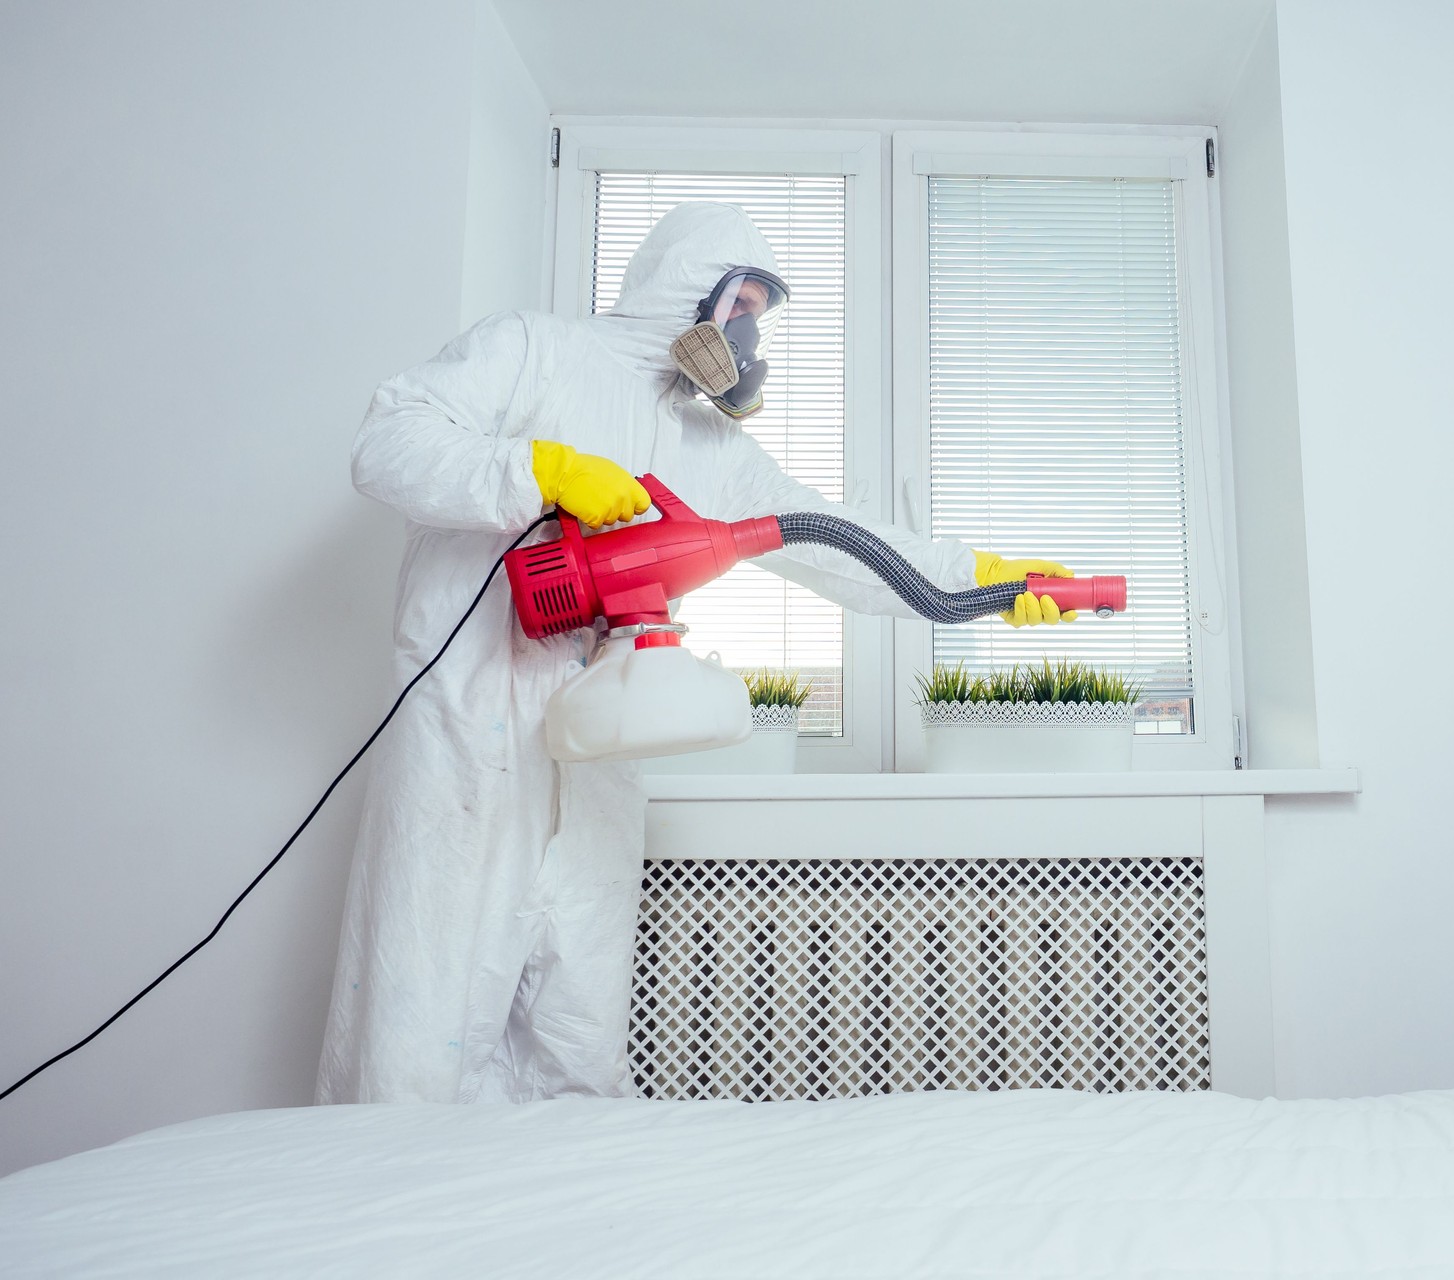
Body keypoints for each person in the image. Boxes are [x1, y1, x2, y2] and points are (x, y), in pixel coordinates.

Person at [317, 203, 1074, 1104]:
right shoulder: (533, 350)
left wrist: (979, 580)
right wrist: (540, 471)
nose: (748, 333)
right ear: (688, 288)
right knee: (424, 1011)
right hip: (471, 734)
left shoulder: (712, 448)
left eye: (761, 314)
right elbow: (387, 441)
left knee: (576, 1028)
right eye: (740, 303)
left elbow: (833, 537)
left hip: (604, 739)